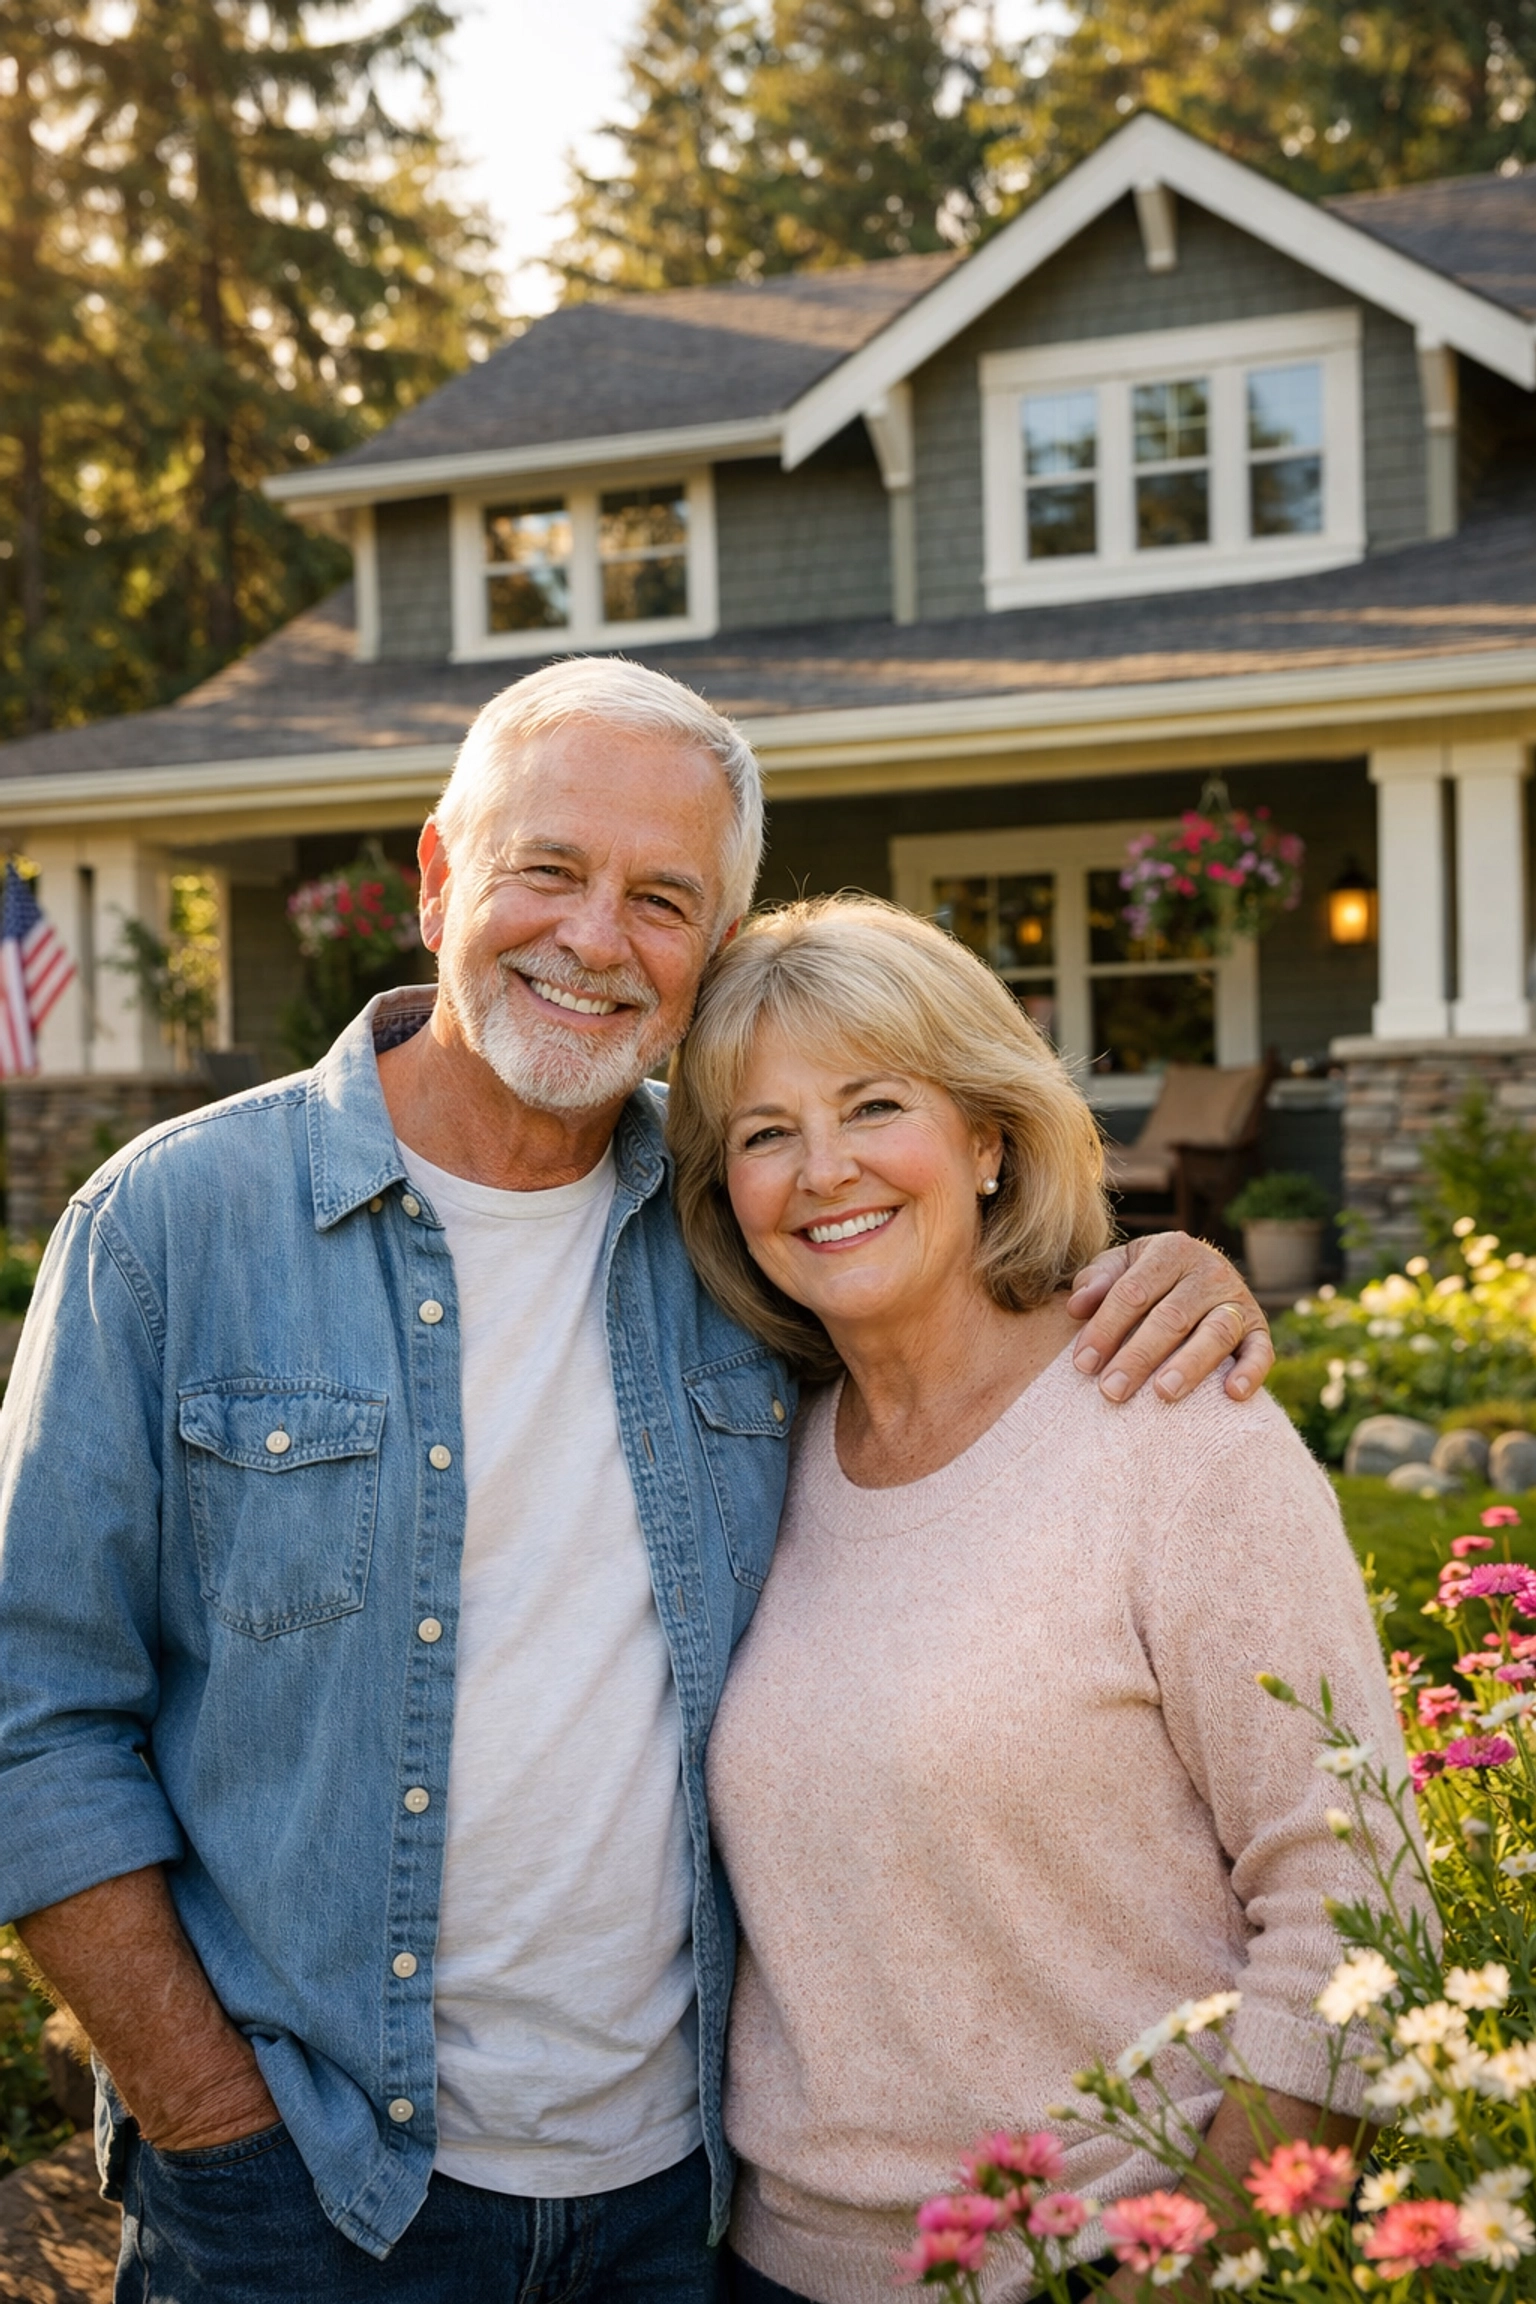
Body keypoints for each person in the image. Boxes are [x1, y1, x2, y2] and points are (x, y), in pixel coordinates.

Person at [0, 662, 1272, 2304]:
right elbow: (33, 1716)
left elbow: (966, 1338)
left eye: (661, 899)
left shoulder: (750, 1218)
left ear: (713, 950)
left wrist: (1159, 1276)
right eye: (548, 870)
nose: (596, 939)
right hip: (306, 2194)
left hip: (683, 2205)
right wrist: (213, 2125)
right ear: (440, 876)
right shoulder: (171, 1230)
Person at [665, 897, 1415, 2304]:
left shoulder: (1173, 1429)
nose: (823, 1171)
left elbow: (1356, 1901)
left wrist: (1185, 2262)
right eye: (765, 1133)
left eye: (875, 1106)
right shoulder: (749, 1457)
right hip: (772, 2265)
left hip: (1103, 2258)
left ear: (989, 1137)